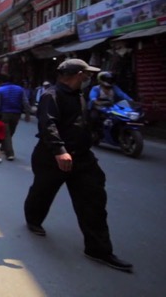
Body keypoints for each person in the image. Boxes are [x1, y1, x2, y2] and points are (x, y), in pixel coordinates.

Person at [23, 58, 133, 273]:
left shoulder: (80, 95)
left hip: (82, 157)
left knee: (93, 201)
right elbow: (48, 124)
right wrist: (59, 151)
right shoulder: (51, 95)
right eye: (85, 73)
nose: (88, 77)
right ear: (76, 74)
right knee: (42, 192)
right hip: (53, 157)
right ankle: (33, 220)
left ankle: (98, 249)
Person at [0, 75, 30, 160]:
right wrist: (27, 114)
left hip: (4, 114)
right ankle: (5, 149)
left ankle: (9, 153)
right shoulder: (20, 89)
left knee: (7, 134)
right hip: (16, 114)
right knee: (10, 132)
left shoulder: (0, 90)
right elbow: (25, 102)